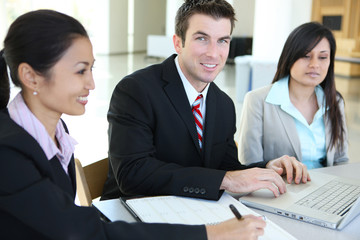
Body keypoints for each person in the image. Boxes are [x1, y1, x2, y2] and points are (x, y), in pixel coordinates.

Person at [0, 9, 268, 240]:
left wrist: (265, 170)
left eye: (92, 69)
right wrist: (211, 234)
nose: (92, 84)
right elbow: (82, 231)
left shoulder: (55, 132)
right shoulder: (8, 153)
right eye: (80, 70)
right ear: (30, 77)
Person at [102, 0, 310, 204]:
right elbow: (132, 175)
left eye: (222, 41)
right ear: (178, 43)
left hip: (192, 208)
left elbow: (226, 168)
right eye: (202, 38)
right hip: (134, 211)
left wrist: (267, 168)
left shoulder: (224, 105)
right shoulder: (135, 90)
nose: (213, 53)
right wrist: (225, 180)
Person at [237, 22, 348, 169]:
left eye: (322, 57)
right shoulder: (258, 101)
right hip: (280, 188)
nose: (315, 64)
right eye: (306, 56)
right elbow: (249, 165)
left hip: (326, 188)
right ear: (290, 58)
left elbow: (341, 161)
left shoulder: (335, 101)